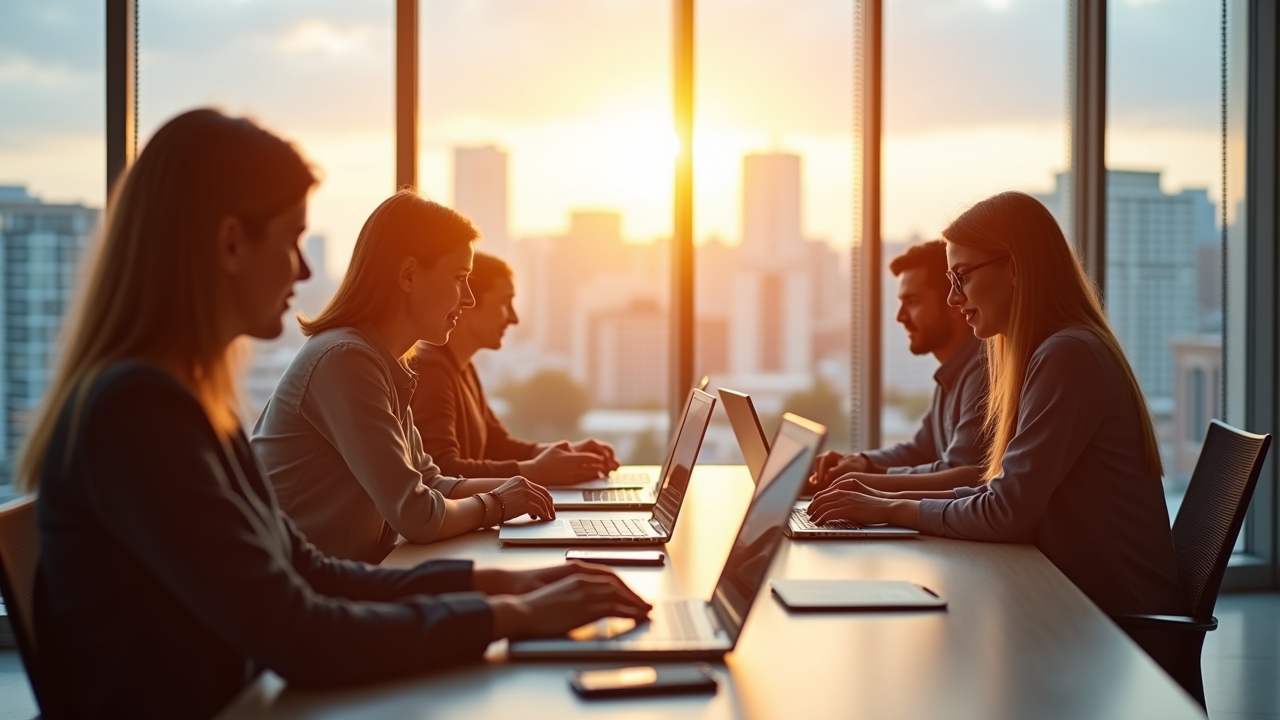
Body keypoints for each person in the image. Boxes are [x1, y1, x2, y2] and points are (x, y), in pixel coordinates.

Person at [21, 109, 650, 719]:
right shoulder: (140, 415)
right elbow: (299, 633)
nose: (304, 268)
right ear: (231, 244)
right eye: (292, 240)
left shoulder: (187, 405)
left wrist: (507, 586)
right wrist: (510, 616)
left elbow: (313, 572)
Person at [806, 191, 1185, 627]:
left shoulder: (1068, 356)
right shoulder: (1047, 353)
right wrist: (878, 496)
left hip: (1119, 628)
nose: (953, 299)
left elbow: (1005, 511)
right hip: (1079, 603)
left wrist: (888, 506)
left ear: (1016, 268)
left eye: (961, 276)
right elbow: (994, 492)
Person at [251, 192, 562, 564]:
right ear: (408, 275)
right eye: (460, 278)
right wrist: (496, 503)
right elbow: (417, 514)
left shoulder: (381, 361)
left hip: (341, 579)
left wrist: (528, 490)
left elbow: (431, 482)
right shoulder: (346, 360)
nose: (468, 299)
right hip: (297, 593)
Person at [410, 252, 619, 484]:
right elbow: (443, 471)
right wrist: (538, 471)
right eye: (504, 303)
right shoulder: (431, 371)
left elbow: (497, 445)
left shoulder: (462, 367)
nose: (514, 318)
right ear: (466, 305)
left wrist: (566, 453)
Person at [811, 240, 988, 493]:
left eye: (913, 302)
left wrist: (870, 475)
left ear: (954, 302)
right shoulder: (952, 372)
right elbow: (920, 451)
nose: (900, 316)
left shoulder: (983, 372)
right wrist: (861, 462)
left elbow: (959, 472)